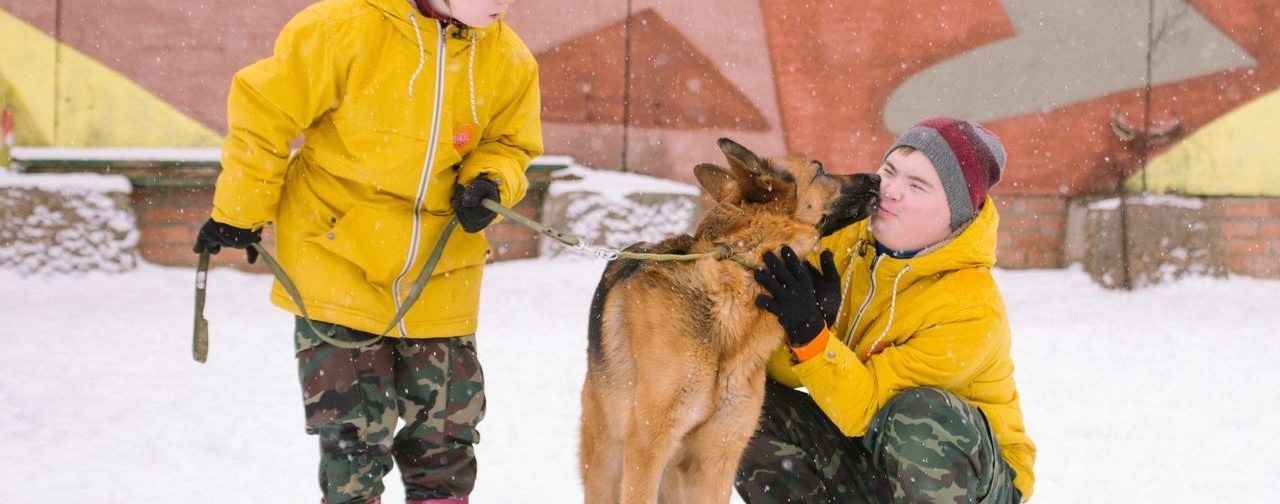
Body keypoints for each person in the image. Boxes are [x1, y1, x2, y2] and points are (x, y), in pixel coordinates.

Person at [191, 0, 541, 502]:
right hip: (337, 261)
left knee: (446, 440)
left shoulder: (509, 58)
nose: (500, 3)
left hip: (441, 274)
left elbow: (512, 144)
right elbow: (263, 113)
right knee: (353, 442)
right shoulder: (342, 28)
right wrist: (239, 211)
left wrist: (491, 178)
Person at [743, 117, 1035, 502]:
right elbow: (779, 375)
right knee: (747, 404)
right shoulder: (847, 242)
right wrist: (805, 330)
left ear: (956, 217)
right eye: (890, 171)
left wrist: (813, 336)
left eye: (917, 186)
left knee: (921, 416)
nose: (890, 191)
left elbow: (866, 408)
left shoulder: (971, 307)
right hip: (869, 457)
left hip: (970, 480)